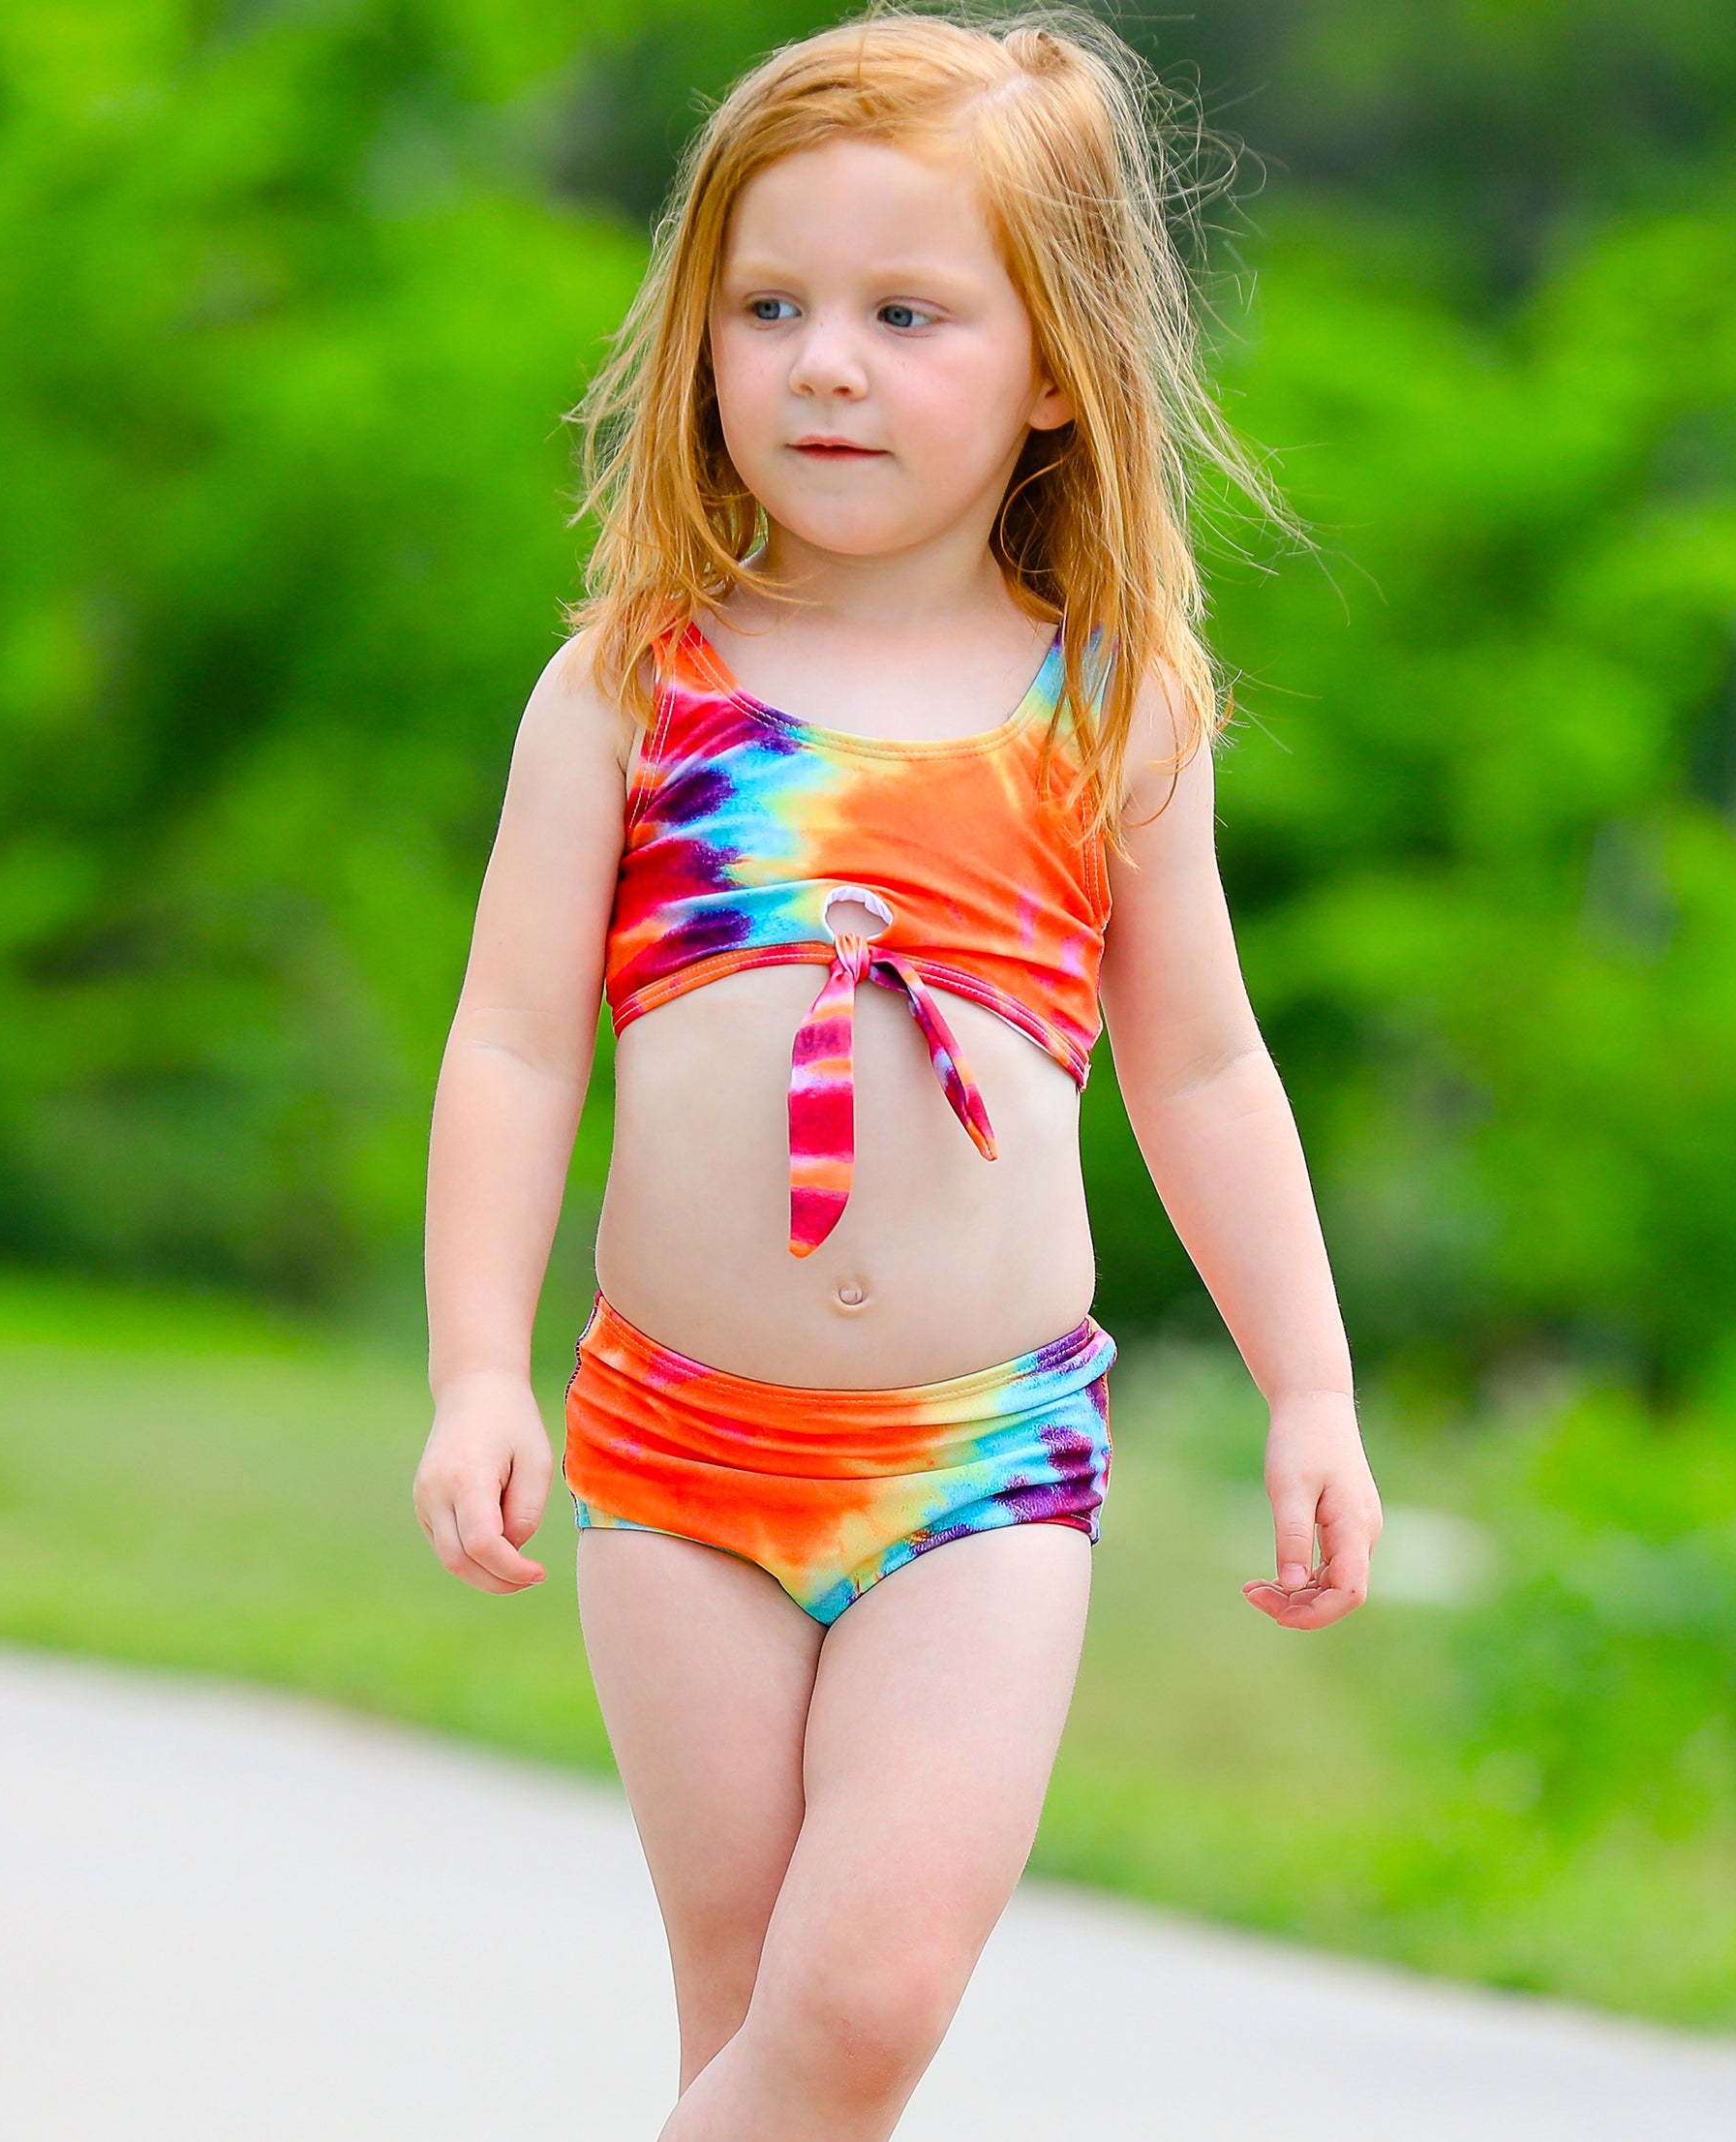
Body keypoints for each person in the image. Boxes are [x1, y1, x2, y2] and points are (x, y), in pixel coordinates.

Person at [413, 10, 1381, 2136]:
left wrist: (1306, 1383)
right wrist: (479, 1366)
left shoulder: (1106, 708)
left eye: (901, 311)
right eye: (768, 306)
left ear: (1051, 364)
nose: (823, 360)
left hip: (977, 1464)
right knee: (743, 1999)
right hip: (676, 1452)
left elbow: (1202, 1069)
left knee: (857, 2001)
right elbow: (508, 1040)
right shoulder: (630, 687)